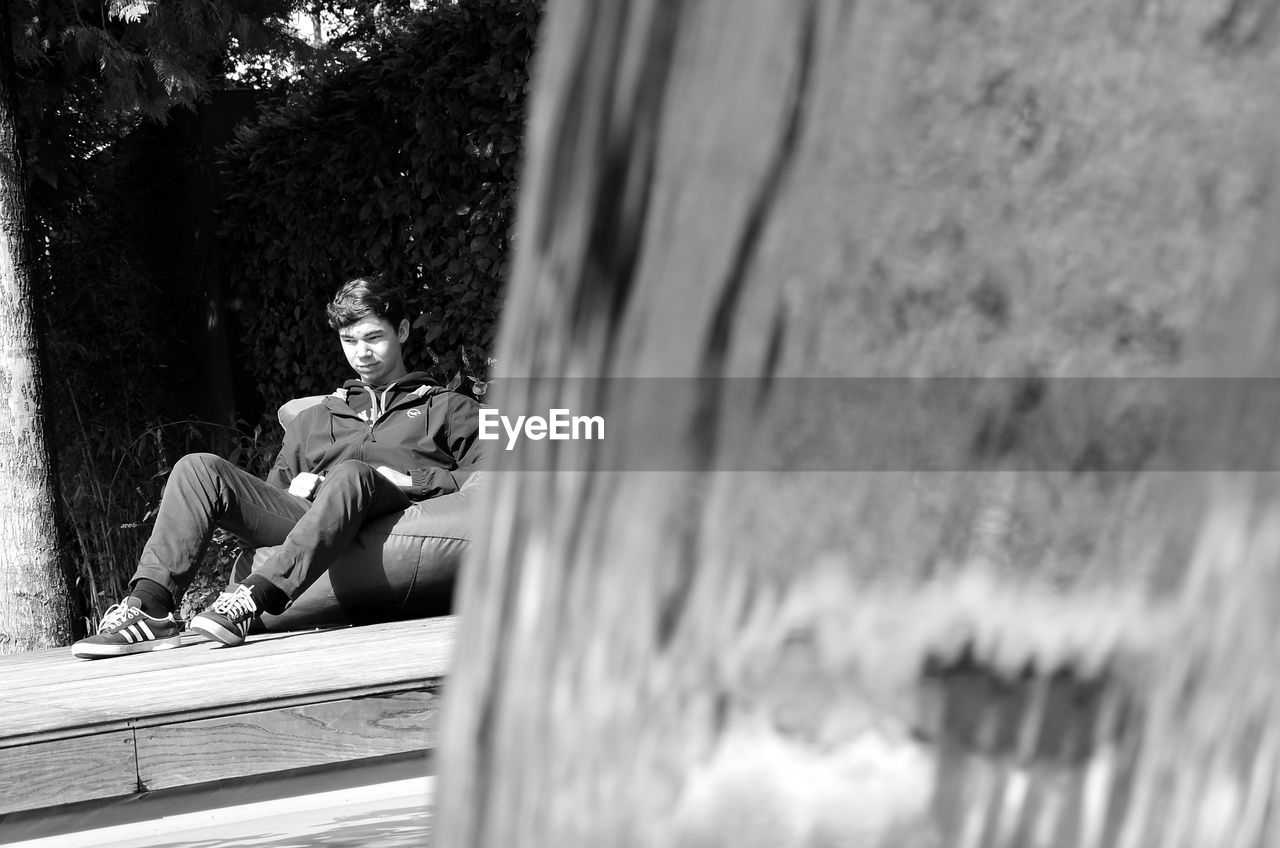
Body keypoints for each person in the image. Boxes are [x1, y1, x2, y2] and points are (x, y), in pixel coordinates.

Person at [72, 277, 485, 659]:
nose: (362, 352)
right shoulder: (315, 419)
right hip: (317, 519)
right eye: (349, 340)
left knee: (351, 472)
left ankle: (257, 595)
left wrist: (415, 479)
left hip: (391, 515)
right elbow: (270, 506)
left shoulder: (448, 408)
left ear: (404, 331)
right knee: (197, 467)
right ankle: (150, 608)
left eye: (374, 337)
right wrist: (294, 494)